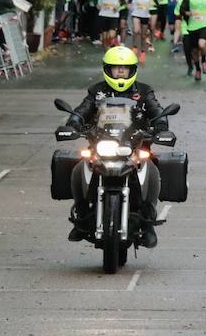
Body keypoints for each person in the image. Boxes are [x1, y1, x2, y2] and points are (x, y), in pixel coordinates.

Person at [62, 46, 169, 248]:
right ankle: (82, 214)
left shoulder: (144, 91)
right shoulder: (97, 91)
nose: (120, 73)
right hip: (101, 145)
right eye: (116, 69)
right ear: (108, 69)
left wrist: (161, 127)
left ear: (132, 70)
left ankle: (148, 223)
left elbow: (156, 110)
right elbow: (82, 109)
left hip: (135, 146)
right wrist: (73, 123)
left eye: (124, 69)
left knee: (152, 168)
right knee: (79, 167)